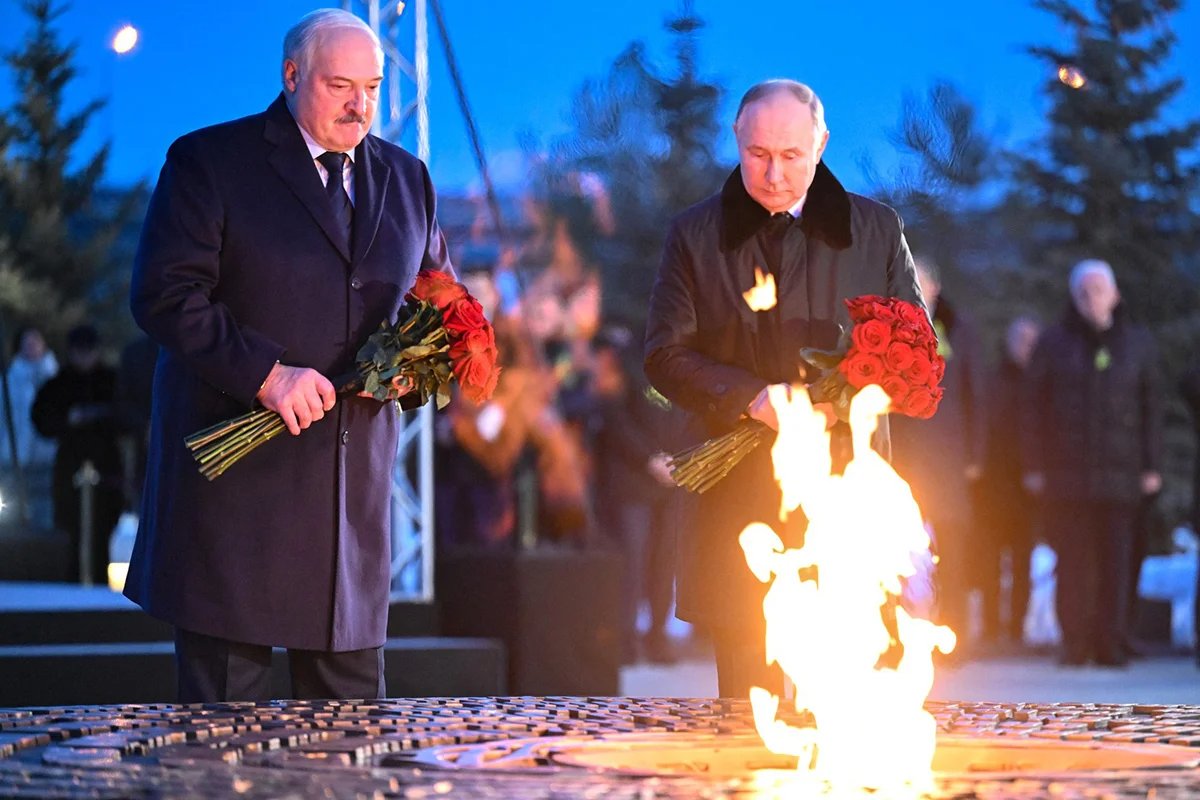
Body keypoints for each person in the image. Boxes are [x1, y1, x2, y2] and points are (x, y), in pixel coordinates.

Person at [125, 8, 453, 703]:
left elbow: (438, 306)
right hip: (236, 505)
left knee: (350, 746)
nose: (360, 105)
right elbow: (163, 294)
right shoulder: (211, 163)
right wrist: (267, 374)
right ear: (292, 74)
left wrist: (426, 363)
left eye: (371, 86)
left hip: (349, 516)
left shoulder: (409, 180)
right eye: (340, 85)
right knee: (221, 747)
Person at [644, 79, 923, 697]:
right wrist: (751, 397)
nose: (772, 174)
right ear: (737, 140)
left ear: (821, 144)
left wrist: (850, 392)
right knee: (750, 706)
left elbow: (916, 349)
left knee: (849, 705)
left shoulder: (875, 230)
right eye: (758, 154)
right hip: (740, 508)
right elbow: (663, 355)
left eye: (791, 156)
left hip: (846, 498)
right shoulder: (696, 235)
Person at [1021, 259, 1161, 667]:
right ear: (1074, 296)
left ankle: (1111, 641)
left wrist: (1151, 466)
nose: (1092, 298)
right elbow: (1033, 407)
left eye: (1100, 290)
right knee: (1073, 563)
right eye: (1084, 291)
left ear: (1115, 295)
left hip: (1121, 476)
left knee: (1117, 564)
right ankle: (1075, 642)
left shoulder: (1137, 342)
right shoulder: (1053, 342)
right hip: (1067, 476)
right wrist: (1034, 465)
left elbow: (1152, 406)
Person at [890, 258, 987, 655]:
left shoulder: (959, 332)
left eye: (922, 281)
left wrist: (975, 453)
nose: (916, 287)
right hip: (903, 458)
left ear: (935, 287)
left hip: (948, 458)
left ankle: (953, 639)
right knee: (894, 552)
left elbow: (977, 396)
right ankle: (895, 641)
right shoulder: (886, 329)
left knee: (952, 552)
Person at [31, 324, 123, 585]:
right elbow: (42, 420)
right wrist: (68, 420)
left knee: (103, 527)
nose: (84, 358)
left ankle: (98, 583)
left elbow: (128, 415)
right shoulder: (58, 385)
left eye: (89, 352)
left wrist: (100, 417)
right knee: (71, 529)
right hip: (70, 464)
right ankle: (71, 582)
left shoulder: (111, 380)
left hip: (105, 464)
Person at [975, 315, 1041, 646]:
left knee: (1023, 559)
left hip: (1028, 487)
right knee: (990, 557)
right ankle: (989, 626)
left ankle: (1016, 627)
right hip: (994, 483)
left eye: (1031, 340)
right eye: (1020, 339)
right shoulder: (992, 378)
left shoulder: (1043, 382)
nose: (1026, 347)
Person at [0, 326, 59, 527]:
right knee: (10, 510)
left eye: (36, 341)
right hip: (13, 457)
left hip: (46, 456)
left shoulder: (55, 378)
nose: (32, 346)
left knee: (44, 509)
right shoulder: (9, 380)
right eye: (27, 342)